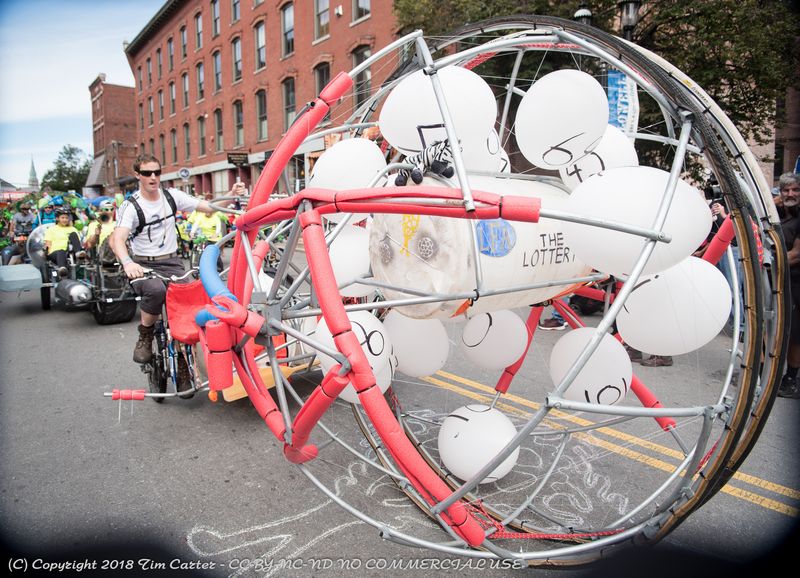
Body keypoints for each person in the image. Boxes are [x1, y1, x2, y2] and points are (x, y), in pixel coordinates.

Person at [109, 154, 245, 393]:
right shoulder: (131, 205)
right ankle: (145, 335)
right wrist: (128, 262)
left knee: (190, 303)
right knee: (155, 290)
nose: (153, 177)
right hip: (142, 263)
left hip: (171, 262)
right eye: (147, 173)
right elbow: (118, 238)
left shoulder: (173, 196)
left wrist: (232, 194)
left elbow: (209, 208)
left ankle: (183, 363)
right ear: (138, 175)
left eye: (157, 172)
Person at [776, 172, 800, 398]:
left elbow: (795, 254)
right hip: (780, 280)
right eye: (786, 190)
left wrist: (768, 260)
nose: (790, 194)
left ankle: (791, 378)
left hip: (796, 282)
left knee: (795, 335)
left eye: (795, 190)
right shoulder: (783, 214)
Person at [43, 206, 83, 277]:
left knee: (73, 234)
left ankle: (78, 253)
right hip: (54, 254)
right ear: (57, 218)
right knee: (60, 251)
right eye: (62, 218)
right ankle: (62, 269)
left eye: (66, 218)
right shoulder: (51, 229)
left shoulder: (72, 229)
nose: (65, 220)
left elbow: (77, 242)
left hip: (69, 252)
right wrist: (46, 250)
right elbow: (48, 244)